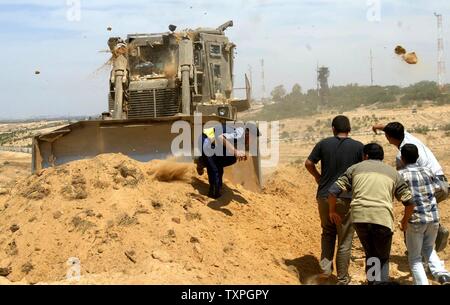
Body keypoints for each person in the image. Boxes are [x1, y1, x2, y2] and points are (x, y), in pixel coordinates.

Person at [373, 122, 450, 281]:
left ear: (389, 138)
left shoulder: (401, 158)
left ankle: (424, 265)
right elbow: (396, 129)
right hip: (440, 182)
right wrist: (380, 127)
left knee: (415, 252)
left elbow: (404, 188)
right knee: (428, 236)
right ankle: (441, 273)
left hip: (426, 185)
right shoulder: (407, 138)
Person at [328, 143, 414, 284]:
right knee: (382, 257)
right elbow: (409, 202)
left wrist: (332, 211)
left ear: (365, 156)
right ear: (382, 157)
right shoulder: (393, 173)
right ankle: (380, 282)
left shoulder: (354, 169)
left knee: (371, 253)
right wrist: (405, 221)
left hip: (359, 217)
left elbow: (333, 191)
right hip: (382, 218)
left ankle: (373, 281)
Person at [305, 115, 364, 285]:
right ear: (349, 130)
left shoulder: (323, 144)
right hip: (345, 198)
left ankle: (325, 271)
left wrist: (318, 177)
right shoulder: (359, 147)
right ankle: (343, 279)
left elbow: (309, 163)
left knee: (327, 233)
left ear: (333, 129)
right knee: (344, 240)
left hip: (324, 196)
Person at [398, 144, 450, 285]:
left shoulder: (402, 175)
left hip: (415, 220)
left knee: (414, 258)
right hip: (433, 218)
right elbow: (442, 188)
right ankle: (442, 275)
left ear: (402, 158)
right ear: (418, 157)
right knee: (428, 248)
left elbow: (400, 196)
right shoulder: (428, 171)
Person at [196, 122, 259, 199]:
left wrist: (238, 153)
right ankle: (213, 191)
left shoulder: (241, 137)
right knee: (214, 168)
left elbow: (230, 147)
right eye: (254, 137)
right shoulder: (239, 134)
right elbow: (220, 137)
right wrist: (235, 152)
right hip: (205, 139)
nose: (253, 140)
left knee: (231, 158)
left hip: (214, 145)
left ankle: (202, 161)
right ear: (248, 134)